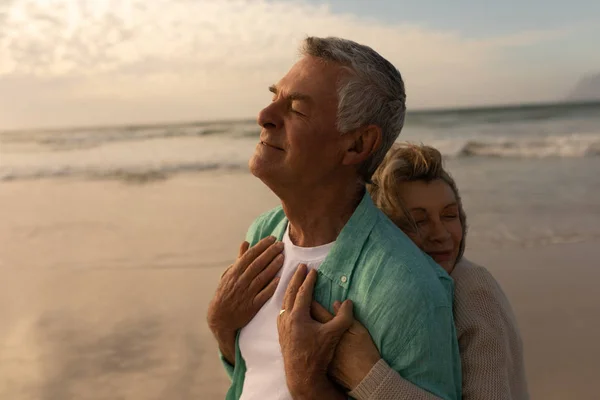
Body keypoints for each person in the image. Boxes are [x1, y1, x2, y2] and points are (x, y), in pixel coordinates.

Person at [207, 37, 462, 400]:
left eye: (295, 108)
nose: (264, 116)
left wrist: (309, 385)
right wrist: (221, 327)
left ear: (357, 145)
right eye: (274, 96)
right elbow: (256, 375)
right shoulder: (264, 233)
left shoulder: (406, 289)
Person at [281, 143, 529, 399]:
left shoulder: (471, 286)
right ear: (383, 229)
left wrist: (366, 375)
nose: (441, 235)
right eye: (418, 221)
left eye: (450, 215)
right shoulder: (384, 285)